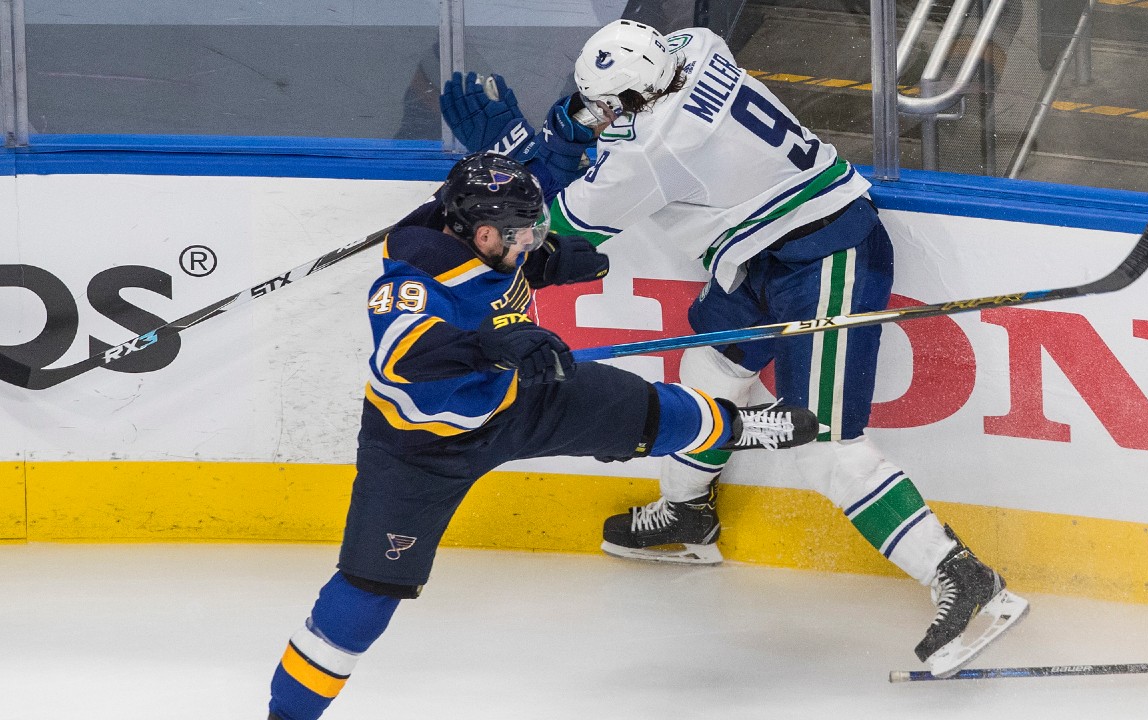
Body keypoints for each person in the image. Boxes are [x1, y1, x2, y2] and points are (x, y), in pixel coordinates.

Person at [438, 20, 1028, 677]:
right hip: (758, 257)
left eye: (609, 107)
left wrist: (516, 152)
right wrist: (573, 125)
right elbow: (602, 111)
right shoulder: (695, 46)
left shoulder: (651, 154)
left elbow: (542, 231)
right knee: (709, 369)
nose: (598, 114)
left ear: (637, 100)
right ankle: (686, 518)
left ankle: (965, 577)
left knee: (823, 444)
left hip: (826, 254)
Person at [264, 151, 822, 720]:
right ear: (482, 234)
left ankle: (737, 425)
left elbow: (523, 184)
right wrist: (489, 345)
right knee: (367, 591)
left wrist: (547, 244)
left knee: (636, 405)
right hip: (419, 447)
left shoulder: (471, 226)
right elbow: (403, 355)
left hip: (515, 401)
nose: (532, 240)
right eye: (524, 236)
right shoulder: (412, 279)